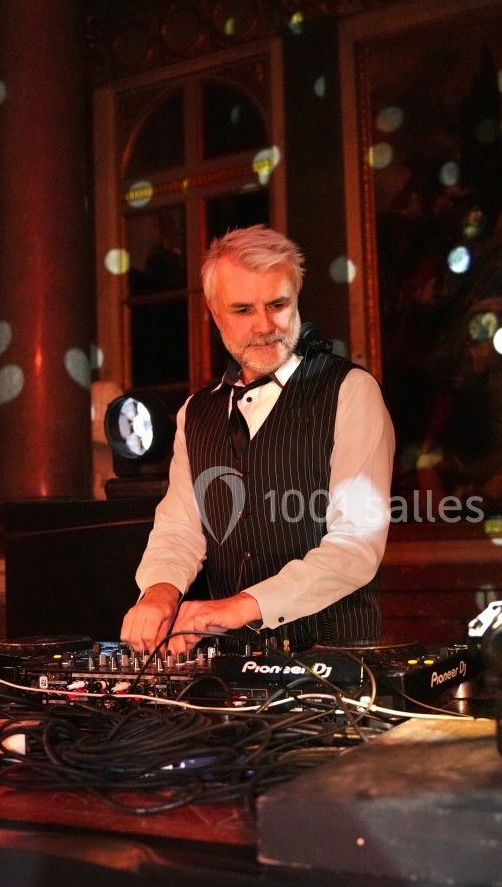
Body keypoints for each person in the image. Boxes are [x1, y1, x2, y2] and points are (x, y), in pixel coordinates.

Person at [120, 224, 396, 655]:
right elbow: (179, 530)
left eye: (278, 304)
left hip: (335, 662)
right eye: (243, 310)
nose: (265, 325)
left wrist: (242, 606)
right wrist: (160, 590)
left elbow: (355, 546)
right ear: (214, 313)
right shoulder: (195, 413)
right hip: (225, 670)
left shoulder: (351, 391)